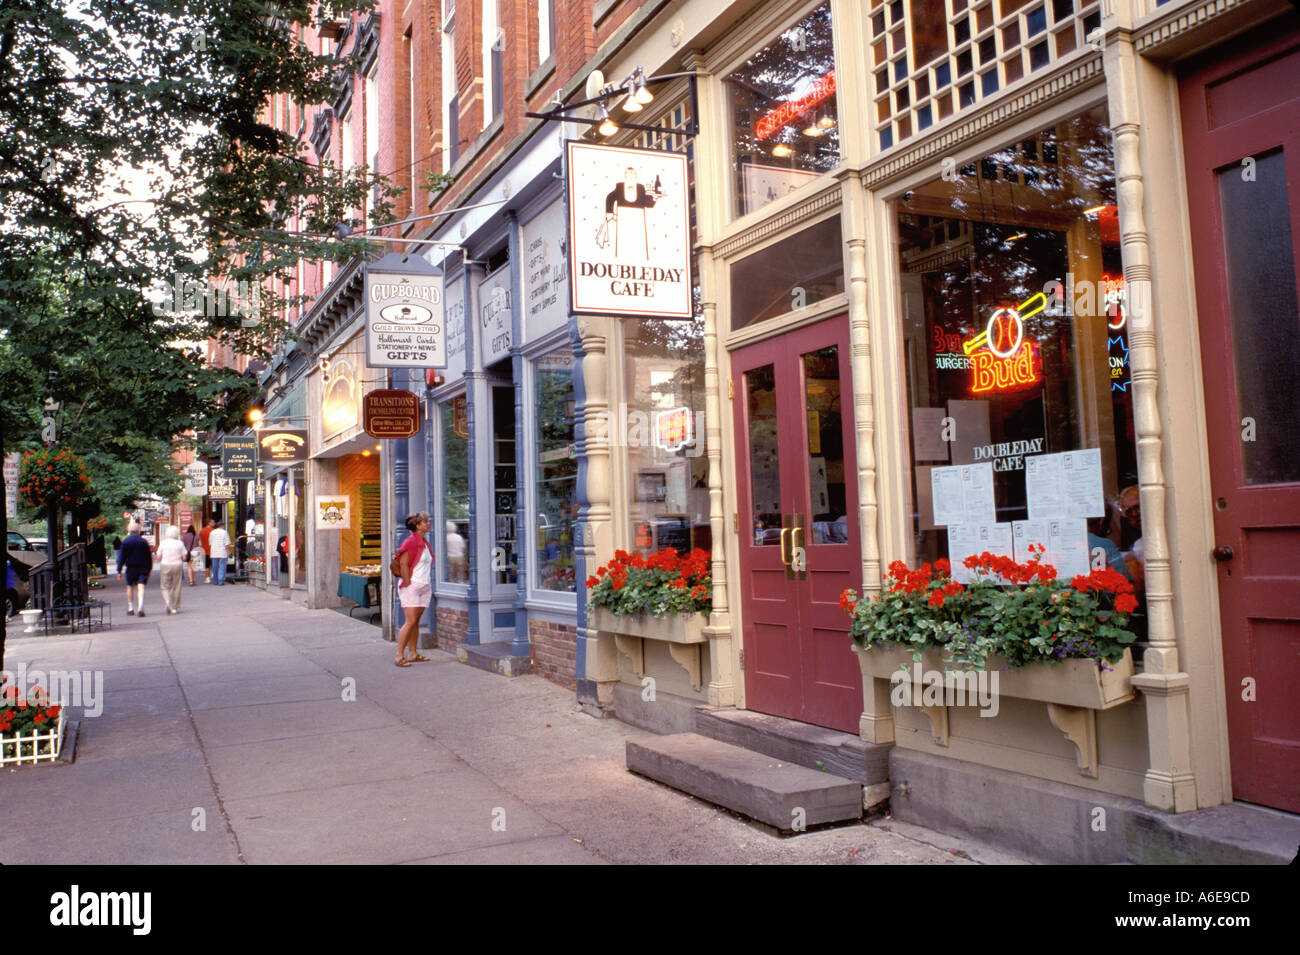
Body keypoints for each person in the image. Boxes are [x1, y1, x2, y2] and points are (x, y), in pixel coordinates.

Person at [393, 512, 434, 667]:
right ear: (417, 526)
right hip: (412, 586)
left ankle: (412, 653)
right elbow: (403, 563)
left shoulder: (424, 542)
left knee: (415, 621)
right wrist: (408, 584)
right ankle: (398, 655)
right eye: (425, 522)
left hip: (424, 585)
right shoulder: (410, 541)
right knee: (410, 621)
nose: (428, 524)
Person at [116, 522, 152, 617]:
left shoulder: (125, 542)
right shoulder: (144, 542)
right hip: (143, 567)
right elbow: (148, 557)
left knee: (130, 586)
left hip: (131, 568)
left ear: (129, 531)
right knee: (141, 586)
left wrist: (119, 570)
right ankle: (140, 606)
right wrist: (149, 569)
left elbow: (121, 557)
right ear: (138, 531)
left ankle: (131, 608)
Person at [156, 525, 188, 614]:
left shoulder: (163, 543)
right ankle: (174, 607)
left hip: (165, 564)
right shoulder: (180, 543)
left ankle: (168, 603)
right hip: (177, 565)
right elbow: (184, 557)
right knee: (176, 586)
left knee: (165, 586)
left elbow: (158, 557)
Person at [208, 520, 231, 585]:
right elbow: (226, 543)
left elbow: (210, 543)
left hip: (214, 552)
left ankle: (215, 581)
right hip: (222, 552)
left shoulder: (212, 532)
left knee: (214, 567)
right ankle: (221, 581)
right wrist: (228, 551)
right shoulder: (224, 532)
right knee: (222, 567)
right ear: (222, 526)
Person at [199, 518, 214, 583]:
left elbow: (200, 541)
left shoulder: (202, 531)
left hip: (204, 550)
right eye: (213, 522)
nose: (214, 523)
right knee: (214, 564)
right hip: (213, 550)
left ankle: (207, 578)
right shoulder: (213, 531)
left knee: (206, 565)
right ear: (209, 523)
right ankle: (213, 575)